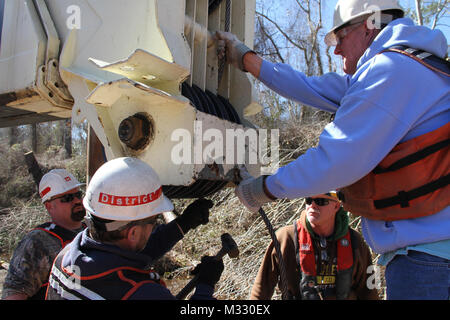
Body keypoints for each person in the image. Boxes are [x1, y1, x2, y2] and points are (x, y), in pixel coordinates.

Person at [216, 0, 449, 299]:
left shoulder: (391, 70)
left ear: (371, 24)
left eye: (340, 37)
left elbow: (336, 159)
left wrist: (264, 188)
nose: (335, 49)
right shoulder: (411, 66)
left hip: (427, 260)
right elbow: (311, 87)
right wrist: (247, 60)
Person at [46, 157, 223, 300]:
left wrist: (183, 223)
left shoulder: (66, 256)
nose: (154, 226)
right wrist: (205, 287)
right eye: (154, 221)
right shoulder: (140, 292)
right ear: (133, 233)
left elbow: (129, 253)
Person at [250, 192, 379, 300]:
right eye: (308, 200)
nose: (312, 205)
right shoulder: (285, 238)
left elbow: (369, 291)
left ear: (336, 206)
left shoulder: (355, 241)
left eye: (320, 201)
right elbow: (261, 289)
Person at [2, 169, 86, 300]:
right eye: (67, 198)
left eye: (78, 195)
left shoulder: (93, 230)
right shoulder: (37, 241)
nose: (76, 201)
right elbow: (14, 292)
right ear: (49, 206)